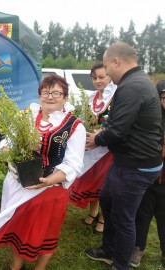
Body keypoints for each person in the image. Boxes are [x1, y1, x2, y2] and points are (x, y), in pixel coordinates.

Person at [0, 74, 86, 270]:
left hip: (51, 190)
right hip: (20, 183)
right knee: (18, 228)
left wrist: (48, 180)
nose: (50, 96)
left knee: (46, 232)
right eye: (45, 92)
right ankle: (16, 266)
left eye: (56, 92)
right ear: (39, 95)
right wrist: (7, 151)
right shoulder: (27, 115)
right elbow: (8, 141)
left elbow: (73, 165)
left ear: (65, 98)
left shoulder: (74, 127)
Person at [85, 41, 163, 270]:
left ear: (116, 61)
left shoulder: (131, 87)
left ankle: (120, 264)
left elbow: (118, 132)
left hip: (135, 166)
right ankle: (109, 249)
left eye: (108, 69)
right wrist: (106, 132)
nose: (107, 74)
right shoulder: (138, 82)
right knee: (107, 201)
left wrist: (96, 139)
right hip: (126, 162)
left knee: (123, 217)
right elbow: (125, 125)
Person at [69, 62, 116, 233]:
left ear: (110, 76)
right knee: (91, 181)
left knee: (104, 185)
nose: (98, 81)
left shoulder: (116, 96)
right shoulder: (90, 97)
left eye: (102, 77)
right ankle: (93, 211)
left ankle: (103, 218)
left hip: (106, 150)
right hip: (90, 147)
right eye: (95, 78)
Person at [130, 79, 165, 268]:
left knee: (163, 217)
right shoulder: (151, 118)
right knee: (142, 215)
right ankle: (138, 249)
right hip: (148, 177)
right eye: (163, 96)